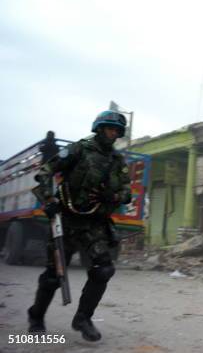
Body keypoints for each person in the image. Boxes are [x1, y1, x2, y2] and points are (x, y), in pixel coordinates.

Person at [27, 110, 132, 342]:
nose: (112, 133)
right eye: (109, 129)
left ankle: (83, 318)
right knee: (54, 275)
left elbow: (126, 193)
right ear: (99, 128)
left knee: (103, 269)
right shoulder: (79, 149)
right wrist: (49, 200)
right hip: (64, 220)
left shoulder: (117, 161)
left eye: (116, 130)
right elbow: (45, 172)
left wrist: (111, 195)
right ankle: (36, 316)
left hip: (94, 223)